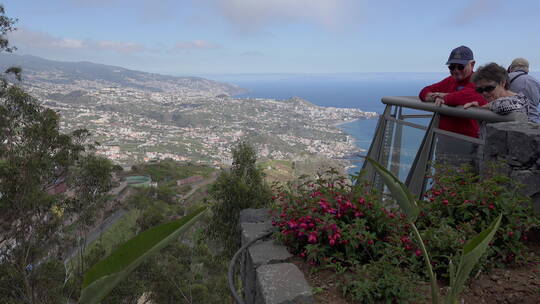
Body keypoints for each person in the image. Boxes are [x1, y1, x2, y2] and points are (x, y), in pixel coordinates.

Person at [419, 45, 487, 138]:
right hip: (444, 138)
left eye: (460, 66)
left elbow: (468, 95)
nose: (456, 70)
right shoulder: (450, 81)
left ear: (472, 64)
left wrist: (445, 97)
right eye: (452, 67)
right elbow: (424, 92)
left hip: (469, 140)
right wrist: (436, 97)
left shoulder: (479, 82)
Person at [463, 62, 539, 122]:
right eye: (480, 90)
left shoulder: (520, 100)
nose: (484, 93)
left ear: (502, 83)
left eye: (489, 88)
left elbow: (510, 105)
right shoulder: (492, 102)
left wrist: (484, 107)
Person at [506, 58, 540, 123]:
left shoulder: (505, 79)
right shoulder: (535, 81)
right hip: (533, 120)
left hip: (511, 119)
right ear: (527, 69)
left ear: (511, 68)